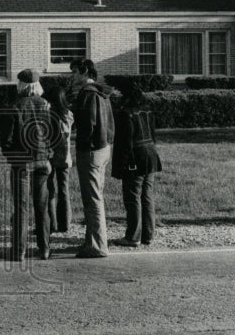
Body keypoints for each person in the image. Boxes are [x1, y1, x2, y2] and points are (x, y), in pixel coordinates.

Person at [0, 69, 53, 261]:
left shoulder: (14, 106)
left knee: (21, 207)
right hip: (43, 158)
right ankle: (44, 248)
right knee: (42, 206)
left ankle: (19, 250)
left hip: (22, 161)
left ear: (21, 85)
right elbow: (53, 134)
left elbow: (6, 139)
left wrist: (10, 155)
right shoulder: (46, 105)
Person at [71, 59, 115, 258]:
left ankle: (97, 245)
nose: (72, 76)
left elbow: (88, 124)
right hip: (104, 148)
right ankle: (93, 240)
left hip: (90, 151)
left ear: (84, 71)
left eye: (74, 72)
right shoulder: (102, 93)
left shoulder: (88, 93)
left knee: (92, 199)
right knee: (96, 196)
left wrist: (83, 144)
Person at [111, 83, 162, 248]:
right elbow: (153, 135)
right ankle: (148, 234)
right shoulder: (147, 110)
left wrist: (121, 165)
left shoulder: (125, 114)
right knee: (147, 195)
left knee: (132, 197)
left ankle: (133, 236)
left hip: (135, 156)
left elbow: (123, 142)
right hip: (151, 153)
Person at [43, 83, 74, 234]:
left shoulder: (49, 115)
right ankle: (65, 223)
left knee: (49, 189)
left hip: (51, 155)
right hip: (66, 156)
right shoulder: (68, 114)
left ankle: (52, 223)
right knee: (64, 189)